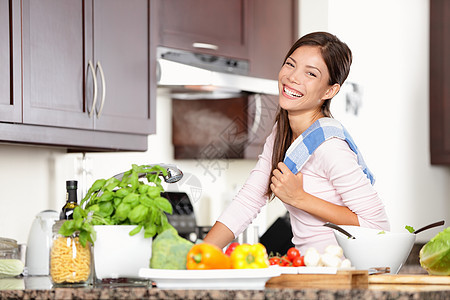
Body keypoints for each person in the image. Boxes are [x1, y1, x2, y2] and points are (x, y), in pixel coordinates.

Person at [203, 32, 390, 254]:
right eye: (290, 64)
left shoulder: (329, 146)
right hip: (309, 269)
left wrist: (300, 198)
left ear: (330, 90)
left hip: (342, 274)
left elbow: (378, 228)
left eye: (310, 73)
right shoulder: (281, 133)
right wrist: (201, 254)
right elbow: (249, 200)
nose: (293, 77)